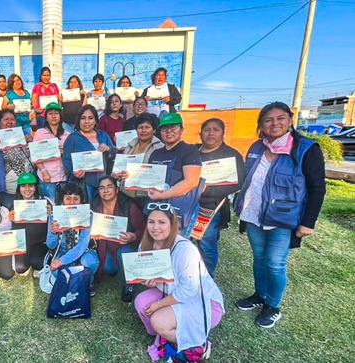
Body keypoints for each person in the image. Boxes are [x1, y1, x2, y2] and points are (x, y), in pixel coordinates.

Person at [234, 102, 326, 328]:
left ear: (290, 120)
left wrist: (308, 222)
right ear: (261, 125)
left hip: (284, 218)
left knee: (275, 263)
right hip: (254, 214)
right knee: (259, 257)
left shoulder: (305, 148)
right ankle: (260, 295)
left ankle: (272, 306)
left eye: (280, 118)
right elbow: (247, 178)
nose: (274, 123)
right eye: (268, 120)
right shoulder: (256, 147)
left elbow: (317, 187)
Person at [134, 203, 224, 361]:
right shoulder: (146, 244)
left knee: (157, 319)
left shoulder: (186, 250)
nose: (155, 227)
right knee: (141, 303)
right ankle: (165, 333)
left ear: (172, 224)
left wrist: (160, 304)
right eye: (151, 222)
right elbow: (148, 275)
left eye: (162, 222)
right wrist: (148, 282)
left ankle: (198, 344)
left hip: (203, 302)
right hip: (171, 291)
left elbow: (189, 291)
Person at [197, 118, 246, 278]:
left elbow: (237, 182)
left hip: (211, 209)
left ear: (223, 133)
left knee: (206, 245)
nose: (211, 133)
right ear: (200, 134)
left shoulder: (231, 155)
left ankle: (207, 279)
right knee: (183, 243)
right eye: (207, 129)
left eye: (216, 129)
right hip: (188, 206)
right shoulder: (193, 152)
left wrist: (209, 191)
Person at [90, 176, 145, 302]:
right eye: (102, 188)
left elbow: (143, 229)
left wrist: (133, 236)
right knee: (108, 269)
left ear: (117, 189)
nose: (106, 191)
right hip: (106, 246)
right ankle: (116, 265)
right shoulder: (94, 205)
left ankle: (129, 285)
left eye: (110, 187)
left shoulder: (129, 205)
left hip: (126, 245)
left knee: (125, 253)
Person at [146, 113, 202, 235]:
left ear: (181, 129)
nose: (169, 131)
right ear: (160, 132)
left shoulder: (189, 150)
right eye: (165, 128)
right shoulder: (156, 153)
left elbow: (191, 182)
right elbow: (149, 179)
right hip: (157, 208)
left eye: (173, 127)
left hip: (179, 210)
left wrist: (162, 195)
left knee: (176, 246)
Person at [62, 105, 117, 202]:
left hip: (103, 183)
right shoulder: (73, 138)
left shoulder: (103, 135)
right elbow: (66, 160)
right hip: (84, 184)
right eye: (83, 118)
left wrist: (108, 149)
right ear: (79, 120)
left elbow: (114, 154)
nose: (87, 122)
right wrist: (74, 172)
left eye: (90, 118)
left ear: (96, 120)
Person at [0, 109, 34, 209]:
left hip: (28, 189)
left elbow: (35, 159)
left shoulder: (24, 136)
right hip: (7, 191)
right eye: (6, 119)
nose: (9, 122)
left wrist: (32, 143)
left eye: (12, 119)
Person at [8, 173, 50, 277]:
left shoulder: (45, 202)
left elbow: (54, 225)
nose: (27, 189)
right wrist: (11, 219)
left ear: (35, 187)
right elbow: (10, 228)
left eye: (30, 185)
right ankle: (25, 263)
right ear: (19, 188)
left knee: (39, 263)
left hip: (40, 242)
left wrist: (50, 215)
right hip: (22, 242)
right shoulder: (14, 204)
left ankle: (37, 263)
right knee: (20, 268)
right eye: (23, 186)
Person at [119, 113, 164, 203]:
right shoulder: (130, 146)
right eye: (140, 127)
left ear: (154, 130)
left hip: (147, 196)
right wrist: (120, 173)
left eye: (147, 127)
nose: (143, 130)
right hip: (126, 194)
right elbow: (121, 168)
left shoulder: (160, 147)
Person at [33, 102, 69, 202]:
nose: (53, 116)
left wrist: (64, 152)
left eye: (56, 113)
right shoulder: (40, 133)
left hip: (63, 176)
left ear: (60, 116)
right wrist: (44, 172)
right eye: (50, 113)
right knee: (50, 205)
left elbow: (71, 156)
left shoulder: (67, 134)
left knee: (63, 206)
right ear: (46, 117)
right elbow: (35, 155)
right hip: (47, 177)